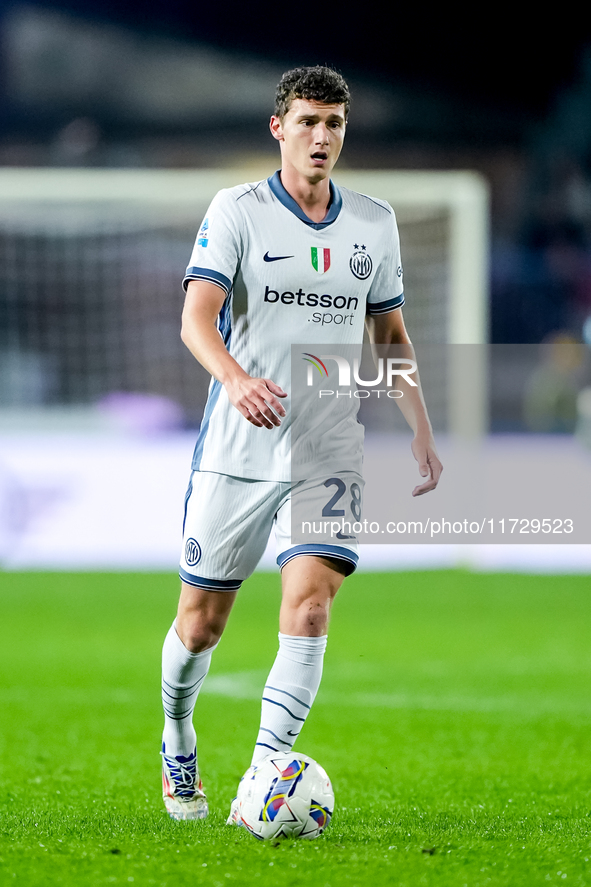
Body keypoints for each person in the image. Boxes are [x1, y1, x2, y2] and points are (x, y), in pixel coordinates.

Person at [160, 65, 442, 821]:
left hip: (328, 445)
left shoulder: (373, 223)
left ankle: (260, 778)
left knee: (311, 606)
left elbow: (389, 332)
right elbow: (196, 318)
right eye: (309, 122)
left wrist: (418, 421)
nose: (322, 137)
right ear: (278, 127)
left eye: (335, 124)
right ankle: (176, 736)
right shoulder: (238, 209)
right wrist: (237, 377)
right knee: (200, 624)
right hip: (238, 449)